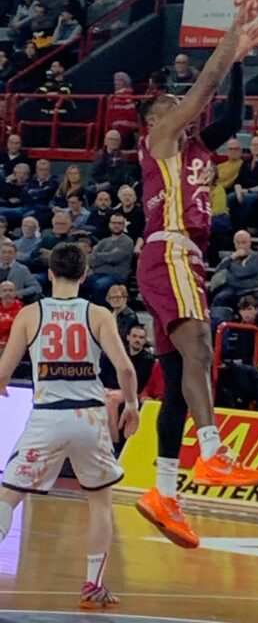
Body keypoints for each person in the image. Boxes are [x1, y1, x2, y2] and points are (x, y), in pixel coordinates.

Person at [135, 0, 258, 549]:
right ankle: (213, 451)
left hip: (180, 256)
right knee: (197, 349)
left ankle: (164, 494)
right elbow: (202, 89)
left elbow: (231, 117)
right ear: (155, 119)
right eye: (171, 103)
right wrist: (231, 36)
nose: (181, 107)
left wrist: (238, 62)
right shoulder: (161, 139)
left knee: (176, 386)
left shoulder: (194, 146)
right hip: (170, 250)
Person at [0, 243, 140, 608]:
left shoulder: (30, 314)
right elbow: (125, 369)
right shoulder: (98, 314)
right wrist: (132, 406)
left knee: (9, 496)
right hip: (90, 417)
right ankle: (93, 585)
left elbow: (3, 372)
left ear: (49, 274)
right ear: (85, 274)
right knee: (100, 502)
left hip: (47, 415)